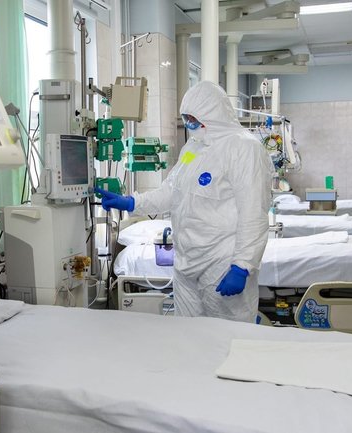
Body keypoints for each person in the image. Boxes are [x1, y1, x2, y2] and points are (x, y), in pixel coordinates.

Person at [96, 81, 273, 323]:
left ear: (213, 114)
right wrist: (132, 203)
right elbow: (171, 191)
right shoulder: (193, 147)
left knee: (228, 334)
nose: (189, 124)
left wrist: (242, 265)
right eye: (186, 118)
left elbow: (254, 213)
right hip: (187, 261)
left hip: (221, 261)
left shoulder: (244, 148)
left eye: (193, 118)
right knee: (187, 332)